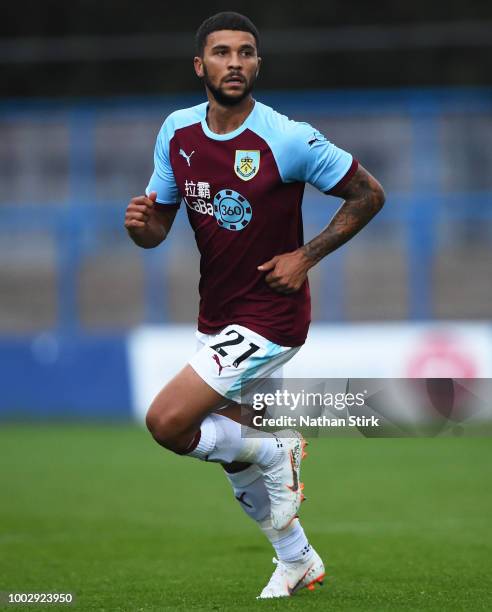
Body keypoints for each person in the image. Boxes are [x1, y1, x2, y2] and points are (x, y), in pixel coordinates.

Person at [124, 11, 385, 599]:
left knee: (168, 422)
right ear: (201, 65)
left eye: (245, 52)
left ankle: (278, 447)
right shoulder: (178, 133)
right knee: (233, 460)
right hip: (215, 315)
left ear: (258, 64)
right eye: (221, 52)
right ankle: (297, 559)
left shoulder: (285, 137)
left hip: (271, 317)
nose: (234, 62)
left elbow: (369, 193)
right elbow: (159, 224)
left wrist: (306, 255)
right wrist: (141, 226)